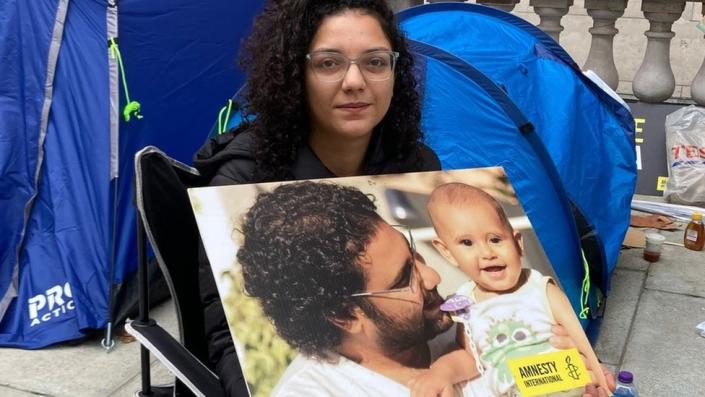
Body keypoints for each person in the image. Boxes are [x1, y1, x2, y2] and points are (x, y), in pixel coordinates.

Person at [192, 0, 440, 394]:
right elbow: (223, 336)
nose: (355, 81)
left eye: (375, 62)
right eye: (329, 63)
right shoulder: (240, 174)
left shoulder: (415, 160)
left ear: (395, 73)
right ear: (296, 75)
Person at [237, 181, 604, 397]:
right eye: (404, 279)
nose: (432, 278)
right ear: (346, 315)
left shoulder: (459, 318)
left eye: (415, 255)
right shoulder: (316, 392)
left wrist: (564, 363)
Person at [410, 183, 609, 397]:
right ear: (447, 252)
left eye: (495, 239)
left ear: (517, 243)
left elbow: (578, 337)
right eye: (467, 243)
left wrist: (603, 385)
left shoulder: (539, 287)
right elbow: (469, 356)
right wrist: (442, 372)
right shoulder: (465, 302)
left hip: (562, 386)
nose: (487, 253)